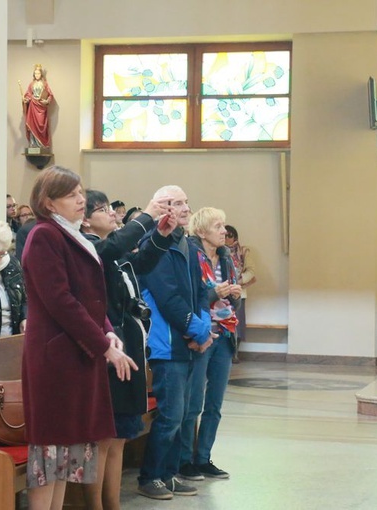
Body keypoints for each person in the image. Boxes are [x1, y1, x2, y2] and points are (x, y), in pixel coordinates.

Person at [21, 166, 136, 509]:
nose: (81, 199)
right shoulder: (44, 235)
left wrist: (109, 333)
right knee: (50, 451)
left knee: (67, 452)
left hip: (77, 356)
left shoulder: (71, 234)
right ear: (49, 202)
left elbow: (88, 298)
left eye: (81, 192)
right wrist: (103, 346)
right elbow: (60, 300)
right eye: (72, 194)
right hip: (56, 359)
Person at [79, 189, 176, 510]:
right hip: (107, 351)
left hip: (129, 348)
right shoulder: (90, 247)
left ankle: (113, 502)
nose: (112, 214)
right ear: (85, 218)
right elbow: (112, 249)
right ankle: (96, 505)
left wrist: (160, 235)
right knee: (103, 437)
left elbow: (140, 261)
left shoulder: (113, 252)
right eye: (103, 209)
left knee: (119, 435)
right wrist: (146, 217)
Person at [136, 185, 215, 501]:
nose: (185, 208)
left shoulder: (188, 245)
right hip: (166, 343)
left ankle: (168, 474)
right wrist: (196, 331)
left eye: (186, 202)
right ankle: (150, 477)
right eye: (177, 203)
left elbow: (200, 292)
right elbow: (168, 298)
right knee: (170, 415)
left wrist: (204, 328)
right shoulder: (154, 246)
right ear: (163, 208)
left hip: (188, 340)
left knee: (182, 415)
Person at [179, 207, 242, 483]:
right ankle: (184, 460)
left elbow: (231, 300)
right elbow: (190, 296)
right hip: (202, 337)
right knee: (193, 403)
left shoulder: (226, 259)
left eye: (224, 225)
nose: (224, 231)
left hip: (225, 336)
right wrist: (214, 292)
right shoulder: (191, 256)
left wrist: (235, 295)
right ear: (202, 231)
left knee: (214, 404)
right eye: (218, 226)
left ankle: (203, 458)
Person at [225, 225, 256, 363]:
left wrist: (239, 279)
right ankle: (225, 351)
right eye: (225, 235)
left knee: (238, 323)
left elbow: (251, 270)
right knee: (223, 321)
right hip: (221, 291)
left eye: (230, 236)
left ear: (235, 237)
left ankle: (235, 352)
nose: (227, 238)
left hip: (239, 291)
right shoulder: (216, 250)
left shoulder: (243, 251)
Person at [23, 64, 54, 148]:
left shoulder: (44, 84)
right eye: (35, 73)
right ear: (34, 74)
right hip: (33, 106)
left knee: (41, 124)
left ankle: (42, 145)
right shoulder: (31, 84)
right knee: (32, 124)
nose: (37, 75)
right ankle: (33, 144)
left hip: (41, 106)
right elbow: (28, 94)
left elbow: (50, 95)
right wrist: (26, 100)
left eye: (38, 73)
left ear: (41, 74)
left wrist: (47, 101)